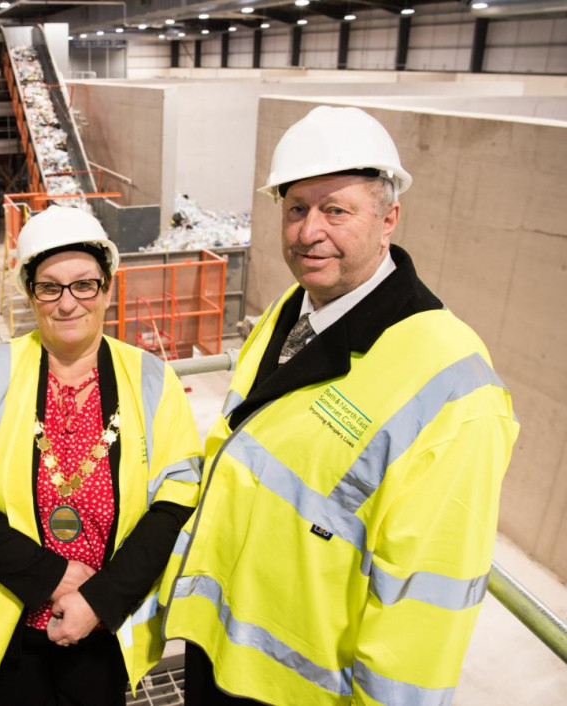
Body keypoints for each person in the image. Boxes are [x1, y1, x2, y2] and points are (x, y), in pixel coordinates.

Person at [160, 106, 518, 705]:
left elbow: (424, 614)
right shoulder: (291, 311)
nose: (308, 232)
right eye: (296, 208)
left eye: (336, 210)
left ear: (388, 219)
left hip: (304, 691)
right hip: (218, 654)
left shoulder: (455, 390)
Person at [0, 205, 203, 705]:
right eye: (50, 286)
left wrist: (99, 598)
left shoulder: (151, 379)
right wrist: (54, 577)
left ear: (107, 288)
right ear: (31, 294)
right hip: (15, 620)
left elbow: (175, 503)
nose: (67, 303)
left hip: (106, 624)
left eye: (84, 285)